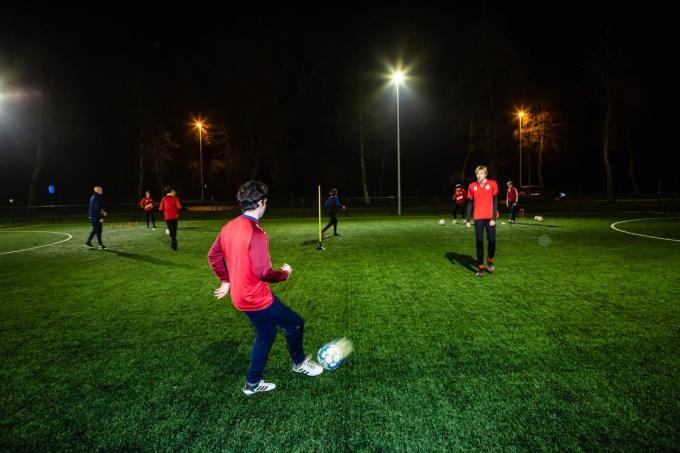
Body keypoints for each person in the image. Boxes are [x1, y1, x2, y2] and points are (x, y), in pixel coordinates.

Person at [208, 181, 323, 396]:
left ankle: (252, 384)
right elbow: (263, 272)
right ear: (260, 202)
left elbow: (213, 256)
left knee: (266, 333)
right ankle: (299, 363)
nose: (266, 205)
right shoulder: (257, 232)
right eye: (265, 202)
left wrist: (226, 280)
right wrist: (285, 274)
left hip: (239, 298)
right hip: (257, 298)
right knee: (295, 324)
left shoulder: (228, 226)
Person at [465, 165, 498, 277]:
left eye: (481, 173)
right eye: (477, 173)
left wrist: (493, 218)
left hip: (490, 218)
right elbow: (469, 203)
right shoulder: (471, 186)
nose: (479, 175)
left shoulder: (493, 184)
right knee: (479, 243)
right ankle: (481, 268)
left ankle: (489, 259)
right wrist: (468, 219)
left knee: (492, 241)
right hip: (478, 217)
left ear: (485, 174)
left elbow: (495, 201)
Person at [159, 187, 182, 251]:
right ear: (171, 192)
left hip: (168, 217)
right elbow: (180, 207)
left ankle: (173, 243)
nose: (174, 192)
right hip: (175, 216)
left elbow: (160, 209)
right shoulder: (175, 198)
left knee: (172, 231)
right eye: (173, 191)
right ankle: (174, 244)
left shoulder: (163, 198)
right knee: (174, 231)